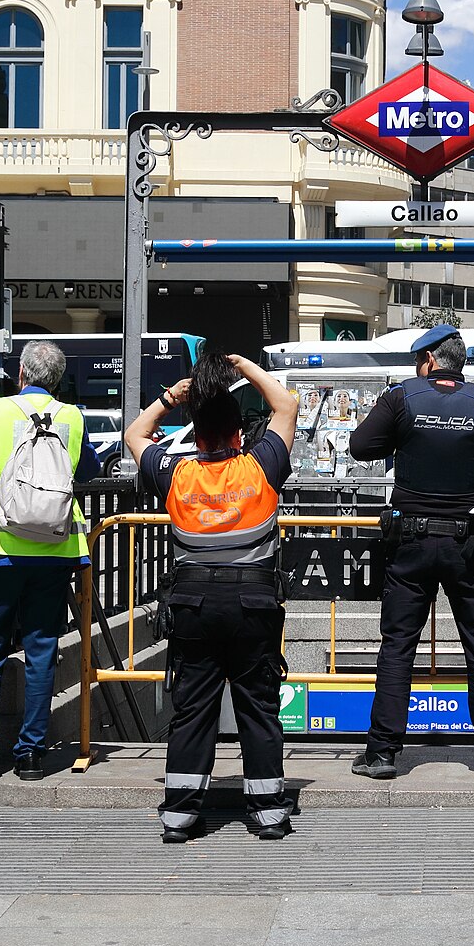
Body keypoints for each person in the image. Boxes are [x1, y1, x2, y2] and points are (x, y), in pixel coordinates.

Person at [347, 325, 474, 781]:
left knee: (398, 645)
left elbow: (360, 446)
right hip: (469, 543)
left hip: (410, 542)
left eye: (418, 360)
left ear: (429, 360)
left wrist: (403, 438)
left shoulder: (400, 398)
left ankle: (382, 754)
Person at [128, 353, 297, 843]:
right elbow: (286, 406)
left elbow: (135, 434)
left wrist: (171, 397)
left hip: (193, 607)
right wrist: (245, 368)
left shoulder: (177, 474)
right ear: (239, 435)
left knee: (193, 709)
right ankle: (268, 812)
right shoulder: (261, 467)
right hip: (253, 607)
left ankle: (180, 816)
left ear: (197, 438)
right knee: (258, 708)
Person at [0, 340, 101, 784]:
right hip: (54, 554)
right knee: (42, 650)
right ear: (58, 380)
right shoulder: (72, 417)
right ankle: (31, 754)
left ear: (20, 374)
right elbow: (88, 470)